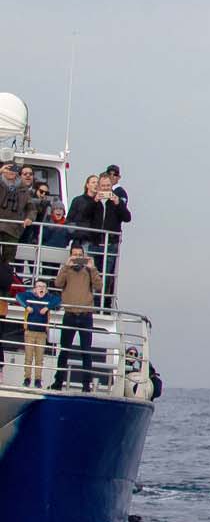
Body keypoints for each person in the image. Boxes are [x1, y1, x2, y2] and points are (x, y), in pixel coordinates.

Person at [53, 242, 103, 392]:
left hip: (86, 316)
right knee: (64, 351)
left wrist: (92, 267)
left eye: (80, 255)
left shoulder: (89, 270)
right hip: (69, 315)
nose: (77, 258)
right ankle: (58, 383)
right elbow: (57, 283)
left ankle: (86, 386)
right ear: (70, 256)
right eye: (75, 255)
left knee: (86, 351)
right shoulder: (66, 270)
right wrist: (66, 266)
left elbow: (99, 286)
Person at [97, 167, 131, 299]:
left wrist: (117, 203)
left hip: (110, 240)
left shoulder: (119, 193)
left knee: (106, 274)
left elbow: (127, 217)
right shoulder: (95, 197)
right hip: (94, 240)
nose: (112, 176)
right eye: (109, 174)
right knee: (91, 272)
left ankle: (102, 302)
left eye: (114, 175)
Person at [17, 278, 54, 391]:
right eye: (39, 286)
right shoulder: (30, 297)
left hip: (42, 333)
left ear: (46, 290)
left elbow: (58, 300)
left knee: (39, 359)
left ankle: (38, 380)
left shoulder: (48, 299)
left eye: (43, 286)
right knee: (28, 357)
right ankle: (27, 379)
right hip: (30, 332)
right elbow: (18, 296)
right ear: (34, 289)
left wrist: (48, 307)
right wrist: (26, 306)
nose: (41, 288)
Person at [0, 162, 31, 284]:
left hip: (12, 230)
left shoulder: (23, 188)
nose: (11, 171)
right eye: (8, 168)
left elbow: (31, 207)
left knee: (8, 263)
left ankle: (4, 292)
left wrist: (29, 218)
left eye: (14, 169)